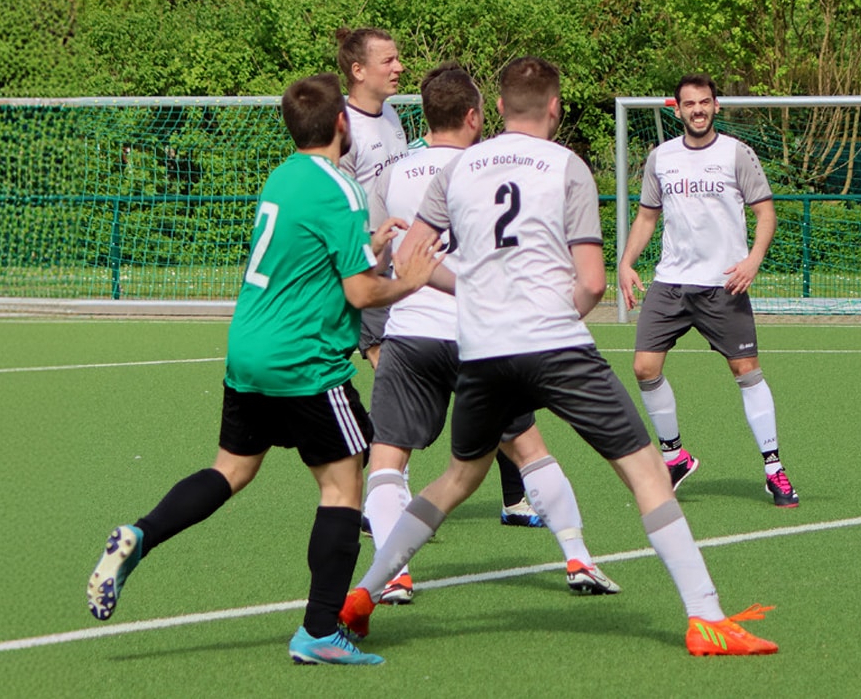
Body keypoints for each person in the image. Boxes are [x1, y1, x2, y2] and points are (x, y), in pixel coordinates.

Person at [339, 56, 778, 657]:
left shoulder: (461, 169)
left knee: (459, 477)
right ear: (555, 108)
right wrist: (546, 312)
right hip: (553, 341)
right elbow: (593, 283)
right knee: (647, 472)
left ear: (495, 109)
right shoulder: (567, 165)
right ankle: (705, 618)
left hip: (483, 349)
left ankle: (363, 593)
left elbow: (413, 257)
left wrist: (475, 293)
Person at [84, 72, 443, 665]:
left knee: (231, 469)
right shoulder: (342, 186)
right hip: (303, 361)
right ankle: (320, 631)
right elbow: (358, 294)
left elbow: (314, 259)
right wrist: (410, 279)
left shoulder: (284, 176)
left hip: (248, 350)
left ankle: (141, 535)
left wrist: (369, 244)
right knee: (343, 483)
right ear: (341, 123)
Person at [363, 61, 618, 605]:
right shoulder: (497, 165)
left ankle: (392, 576)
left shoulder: (391, 175)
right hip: (483, 335)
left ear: (424, 116)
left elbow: (381, 256)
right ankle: (578, 556)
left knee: (388, 459)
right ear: (477, 116)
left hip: (411, 333)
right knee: (528, 450)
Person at [617, 75, 796, 507]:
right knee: (644, 368)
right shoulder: (660, 157)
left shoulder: (737, 153)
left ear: (716, 106)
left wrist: (753, 260)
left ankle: (774, 469)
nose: (696, 109)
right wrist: (625, 262)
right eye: (688, 104)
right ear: (675, 110)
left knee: (747, 371)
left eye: (704, 102)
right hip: (671, 283)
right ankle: (675, 456)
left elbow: (765, 212)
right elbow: (646, 217)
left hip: (723, 285)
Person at [335, 26, 410, 370]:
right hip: (368, 268)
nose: (399, 67)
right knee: (393, 372)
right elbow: (336, 209)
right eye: (389, 60)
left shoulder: (392, 115)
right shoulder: (342, 129)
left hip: (400, 264)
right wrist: (368, 251)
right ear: (358, 71)